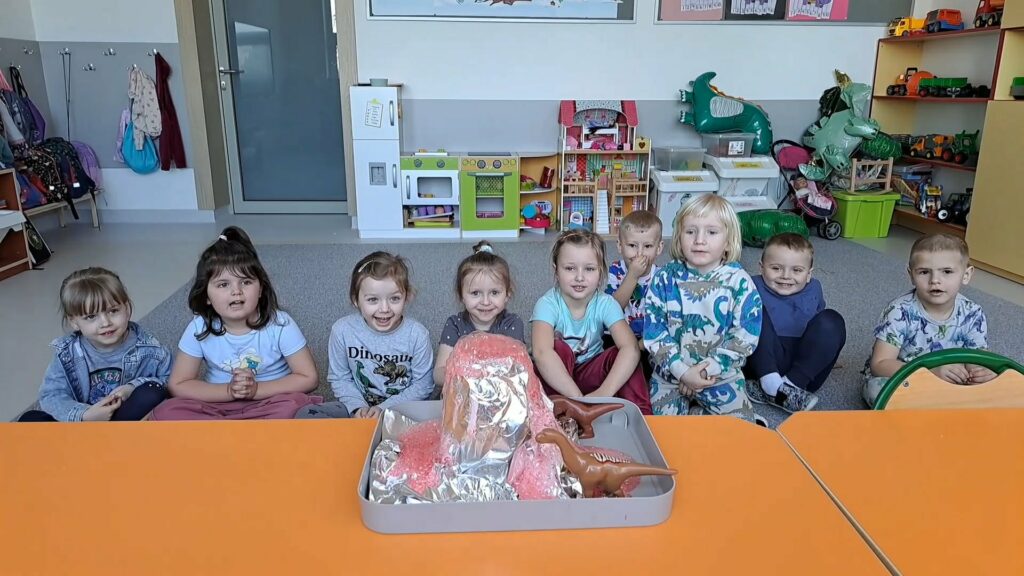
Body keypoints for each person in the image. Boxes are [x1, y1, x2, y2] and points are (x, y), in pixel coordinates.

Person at [153, 227, 320, 420]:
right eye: (223, 284)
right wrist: (229, 391)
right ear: (206, 295)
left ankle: (231, 431)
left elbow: (309, 378)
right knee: (166, 411)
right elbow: (178, 384)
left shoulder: (280, 323)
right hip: (217, 404)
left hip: (270, 402)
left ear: (260, 289)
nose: (236, 291)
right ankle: (242, 431)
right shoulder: (199, 327)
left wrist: (256, 390)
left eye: (246, 282)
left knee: (297, 406)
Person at [644, 194, 763, 423]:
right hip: (670, 374)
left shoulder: (740, 282)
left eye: (712, 232)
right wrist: (682, 372)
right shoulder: (664, 278)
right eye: (690, 231)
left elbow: (745, 336)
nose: (699, 240)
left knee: (741, 432)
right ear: (679, 237)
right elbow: (654, 330)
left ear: (728, 241)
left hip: (720, 376)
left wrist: (707, 370)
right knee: (661, 433)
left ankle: (699, 414)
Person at [19, 267, 170, 422]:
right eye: (91, 316)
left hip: (123, 418)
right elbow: (51, 395)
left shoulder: (149, 348)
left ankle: (114, 434)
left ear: (126, 308)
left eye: (113, 311)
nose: (105, 323)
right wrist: (85, 415)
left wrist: (131, 388)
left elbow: (170, 381)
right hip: (84, 421)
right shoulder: (67, 353)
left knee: (152, 391)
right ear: (74, 322)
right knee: (29, 420)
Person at [297, 251, 432, 419]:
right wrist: (357, 407)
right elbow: (339, 378)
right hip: (356, 408)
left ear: (407, 297)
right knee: (306, 414)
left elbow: (423, 385)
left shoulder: (417, 335)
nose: (384, 309)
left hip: (401, 410)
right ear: (356, 299)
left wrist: (384, 409)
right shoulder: (342, 330)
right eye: (373, 300)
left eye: (394, 299)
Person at [863, 233, 994, 407]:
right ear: (911, 275)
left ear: (966, 275)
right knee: (877, 390)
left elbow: (977, 356)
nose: (935, 281)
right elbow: (880, 364)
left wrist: (980, 372)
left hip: (951, 378)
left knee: (1000, 383)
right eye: (924, 272)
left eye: (947, 272)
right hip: (907, 377)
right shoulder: (899, 311)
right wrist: (928, 373)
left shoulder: (972, 312)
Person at [531, 229, 652, 415]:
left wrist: (604, 393)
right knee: (557, 348)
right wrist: (578, 399)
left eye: (589, 269)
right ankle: (556, 413)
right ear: (556, 271)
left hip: (591, 373)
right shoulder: (547, 304)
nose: (579, 277)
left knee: (625, 355)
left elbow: (631, 348)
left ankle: (641, 415)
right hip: (556, 380)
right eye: (570, 268)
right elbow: (541, 353)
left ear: (600, 272)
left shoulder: (606, 303)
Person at [744, 233, 846, 412]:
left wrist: (823, 354)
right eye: (776, 268)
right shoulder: (749, 285)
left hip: (804, 374)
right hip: (762, 364)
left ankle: (788, 386)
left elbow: (821, 331)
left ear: (808, 274)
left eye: (797, 270)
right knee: (751, 309)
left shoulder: (814, 288)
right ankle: (771, 383)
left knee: (832, 320)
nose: (786, 276)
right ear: (761, 267)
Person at [432, 241, 525, 389]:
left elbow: (519, 369)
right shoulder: (455, 325)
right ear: (461, 295)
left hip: (501, 395)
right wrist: (467, 377)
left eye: (494, 292)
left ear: (507, 294)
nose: (485, 302)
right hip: (462, 393)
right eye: (475, 293)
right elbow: (438, 374)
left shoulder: (512, 324)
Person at [604, 210, 664, 382]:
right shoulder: (615, 270)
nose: (639, 253)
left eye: (648, 246)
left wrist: (644, 343)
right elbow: (612, 309)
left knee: (653, 369)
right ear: (620, 246)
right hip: (616, 335)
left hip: (647, 338)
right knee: (608, 363)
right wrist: (632, 276)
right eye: (632, 245)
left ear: (659, 248)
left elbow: (664, 316)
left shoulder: (662, 276)